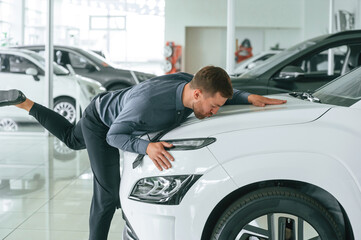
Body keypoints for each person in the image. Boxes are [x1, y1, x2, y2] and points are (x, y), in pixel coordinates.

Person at [0, 66, 286, 240]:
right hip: (102, 122)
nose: (214, 112)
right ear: (197, 95)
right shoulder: (150, 104)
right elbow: (115, 136)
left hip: (117, 108)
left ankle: (23, 101)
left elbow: (218, 92)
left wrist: (247, 97)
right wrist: (146, 146)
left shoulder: (192, 84)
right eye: (213, 107)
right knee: (108, 195)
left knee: (72, 139)